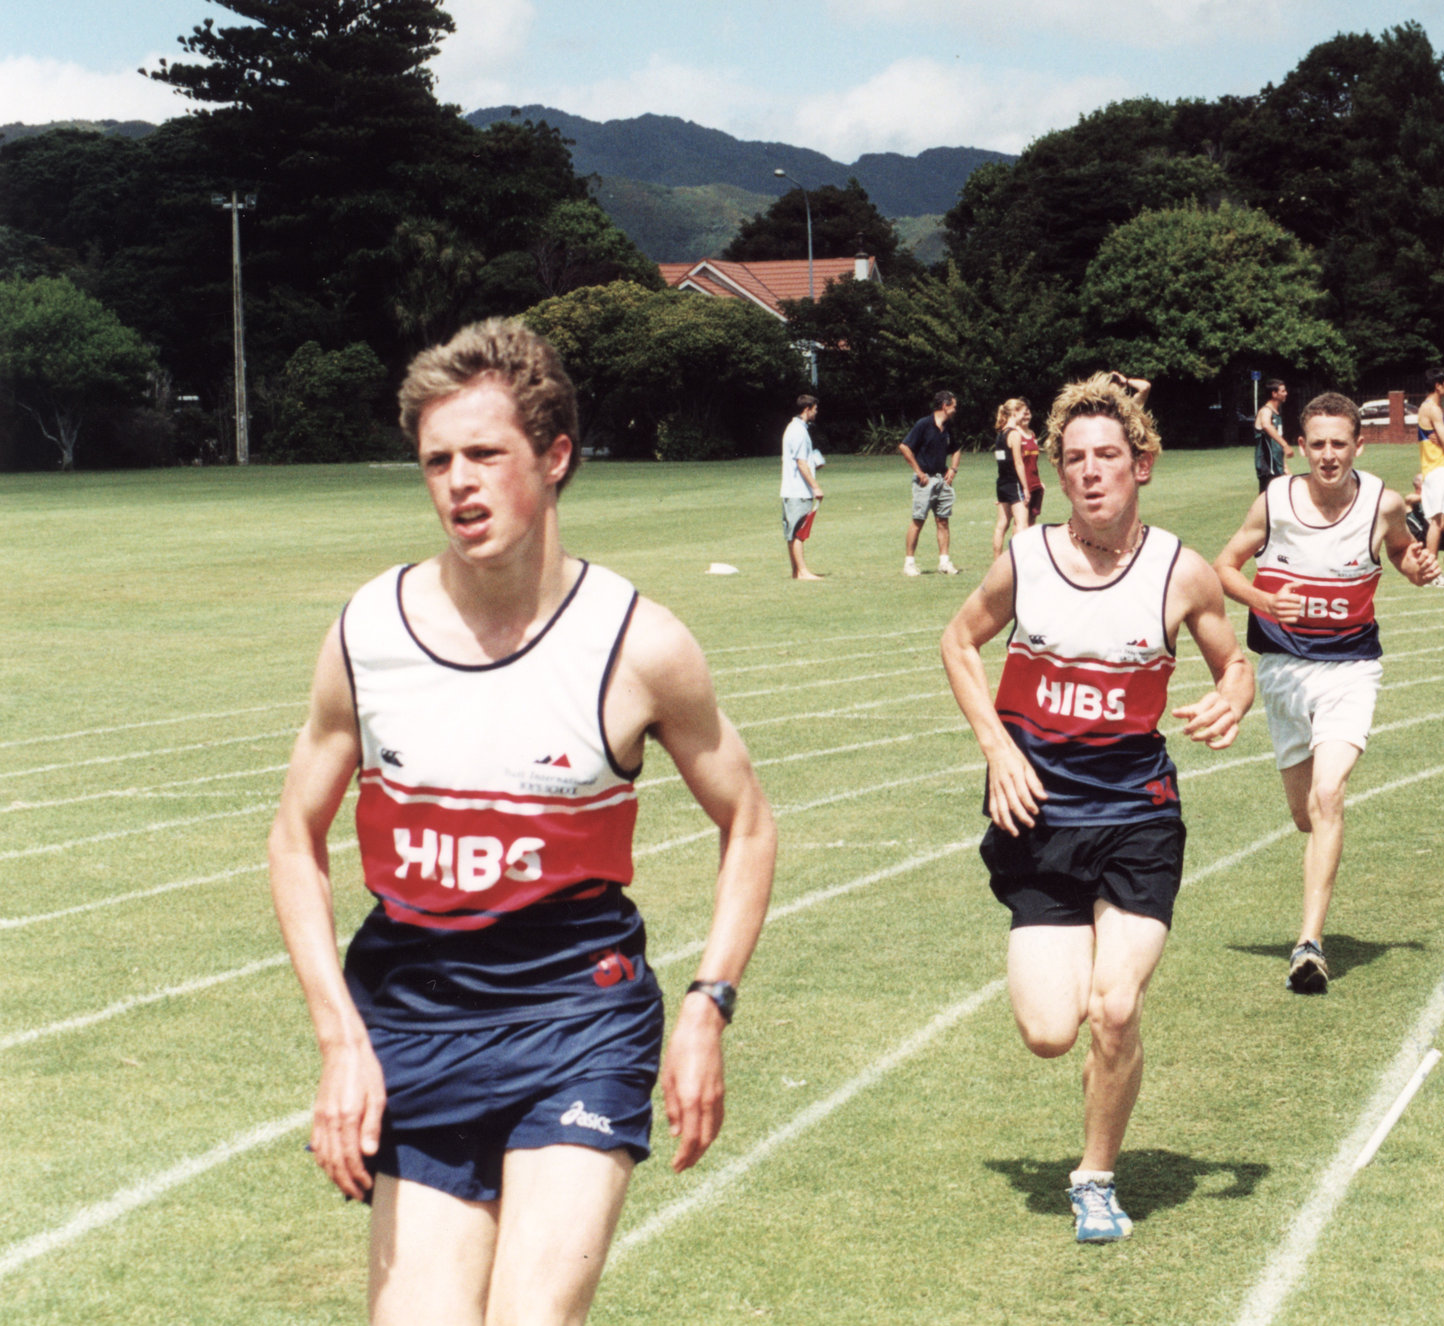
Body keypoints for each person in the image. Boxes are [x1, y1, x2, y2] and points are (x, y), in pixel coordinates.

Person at [267, 319, 777, 1323]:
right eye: (437, 461)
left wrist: (708, 1007)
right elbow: (295, 839)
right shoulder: (367, 635)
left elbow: (748, 823)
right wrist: (340, 1040)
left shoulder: (640, 645)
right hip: (412, 1028)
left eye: (484, 455)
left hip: (575, 1023)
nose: (459, 482)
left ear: (553, 459)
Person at [940, 370, 1253, 1244]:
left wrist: (1237, 688)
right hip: (1038, 821)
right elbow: (957, 641)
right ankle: (1087, 1092)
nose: (1088, 472)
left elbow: (1232, 660)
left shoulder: (1180, 572)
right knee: (1048, 1031)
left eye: (1106, 455)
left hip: (1137, 817)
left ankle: (1095, 1176)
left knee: (1114, 1006)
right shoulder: (1026, 561)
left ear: (1140, 464)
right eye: (1072, 458)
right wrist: (997, 748)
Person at [1212, 391, 1440, 995]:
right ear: (1301, 446)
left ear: (1358, 446)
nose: (1329, 456)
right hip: (1284, 670)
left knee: (1329, 793)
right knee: (1303, 815)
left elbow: (1401, 558)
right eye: (1318, 444)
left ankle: (1308, 944)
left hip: (1351, 669)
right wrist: (1263, 600)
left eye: (1340, 444)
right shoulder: (1277, 500)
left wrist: (1420, 568)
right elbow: (1224, 567)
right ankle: (1319, 873)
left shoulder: (1382, 504)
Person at [900, 390, 962, 575]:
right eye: (954, 406)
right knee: (918, 520)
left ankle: (944, 562)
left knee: (943, 520)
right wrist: (918, 472)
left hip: (942, 479)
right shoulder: (923, 424)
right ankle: (909, 563)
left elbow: (957, 449)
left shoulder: (949, 426)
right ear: (945, 405)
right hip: (924, 481)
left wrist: (953, 469)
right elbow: (904, 447)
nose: (955, 409)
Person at [1413, 369, 1444, 584]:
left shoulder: (1428, 408)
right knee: (1437, 521)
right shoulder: (1433, 409)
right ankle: (1432, 574)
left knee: (1438, 520)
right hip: (1437, 469)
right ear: (1438, 386)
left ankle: (1433, 573)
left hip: (1435, 469)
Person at [781, 393, 826, 580]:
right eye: (814, 409)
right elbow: (800, 463)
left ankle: (796, 572)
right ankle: (803, 572)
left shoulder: (795, 429)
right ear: (806, 409)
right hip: (798, 490)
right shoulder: (798, 431)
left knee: (793, 532)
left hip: (791, 490)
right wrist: (815, 487)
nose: (816, 413)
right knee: (799, 532)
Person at [992, 398, 1034, 558]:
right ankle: (1019, 559)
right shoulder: (1014, 434)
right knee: (1022, 523)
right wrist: (1025, 488)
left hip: (1001, 483)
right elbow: (1018, 463)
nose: (1024, 416)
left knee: (1001, 525)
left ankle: (997, 560)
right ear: (1014, 413)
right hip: (1014, 483)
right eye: (1022, 412)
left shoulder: (1000, 433)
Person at [1254, 379, 1293, 492]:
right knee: (1267, 502)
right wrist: (1285, 445)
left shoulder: (1276, 414)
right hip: (1267, 467)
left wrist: (1285, 467)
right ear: (1274, 394)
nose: (1286, 393)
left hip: (1276, 467)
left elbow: (1275, 445)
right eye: (1283, 391)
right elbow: (1266, 425)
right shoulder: (1265, 411)